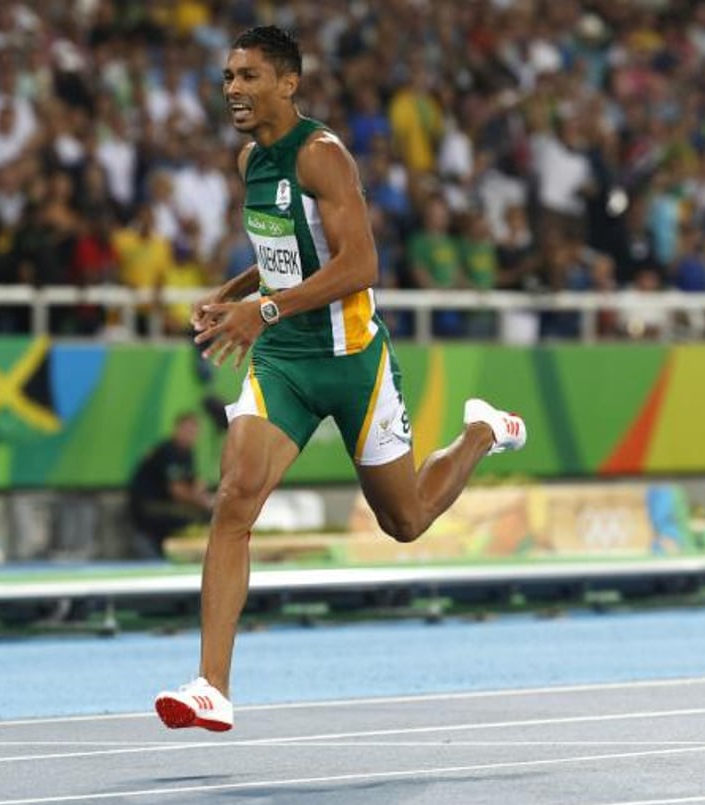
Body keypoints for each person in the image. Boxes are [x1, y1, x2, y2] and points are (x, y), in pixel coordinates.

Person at [153, 26, 527, 733]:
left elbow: (358, 267)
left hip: (354, 364)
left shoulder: (323, 157)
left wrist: (258, 309)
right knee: (234, 500)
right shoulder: (250, 161)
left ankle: (482, 431)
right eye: (228, 76)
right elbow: (283, 256)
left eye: (248, 76)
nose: (232, 88)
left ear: (287, 83)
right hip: (283, 365)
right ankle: (211, 685)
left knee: (406, 521)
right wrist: (236, 293)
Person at [127, 412, 213, 559]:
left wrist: (205, 495)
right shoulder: (167, 451)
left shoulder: (187, 453)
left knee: (205, 514)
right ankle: (166, 553)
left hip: (164, 503)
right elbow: (177, 491)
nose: (190, 435)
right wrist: (204, 502)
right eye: (187, 430)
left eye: (193, 432)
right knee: (194, 517)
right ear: (177, 429)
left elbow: (194, 482)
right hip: (149, 505)